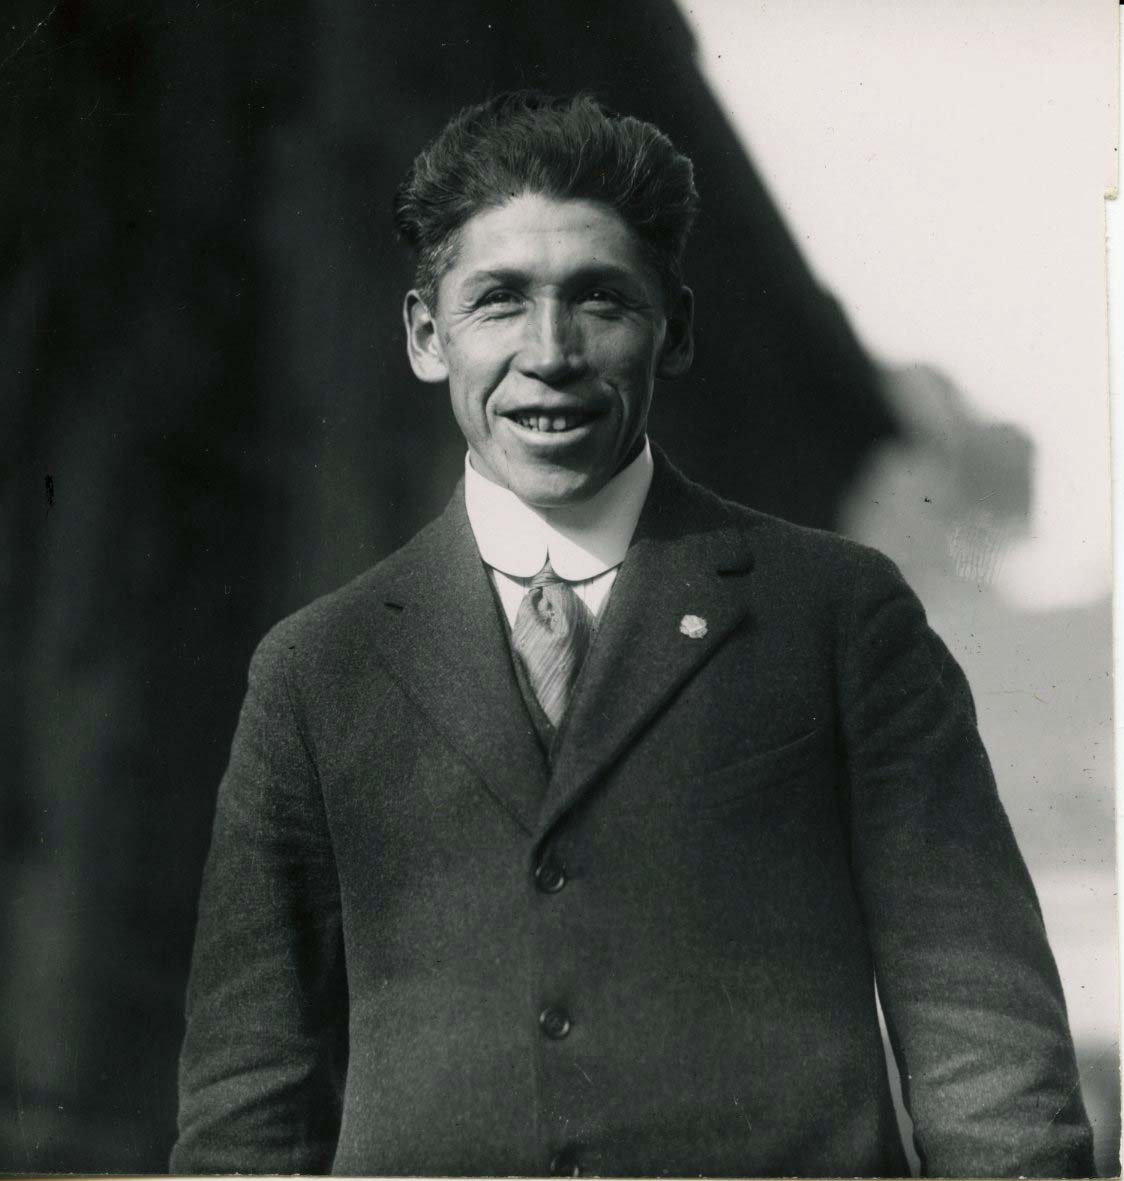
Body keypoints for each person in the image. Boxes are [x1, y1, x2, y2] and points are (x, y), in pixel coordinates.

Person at [171, 91, 1094, 1178]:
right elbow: (249, 1099)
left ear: (677, 328)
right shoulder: (315, 670)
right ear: (427, 336)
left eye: (599, 300)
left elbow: (980, 1035)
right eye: (499, 301)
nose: (549, 351)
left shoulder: (838, 618)